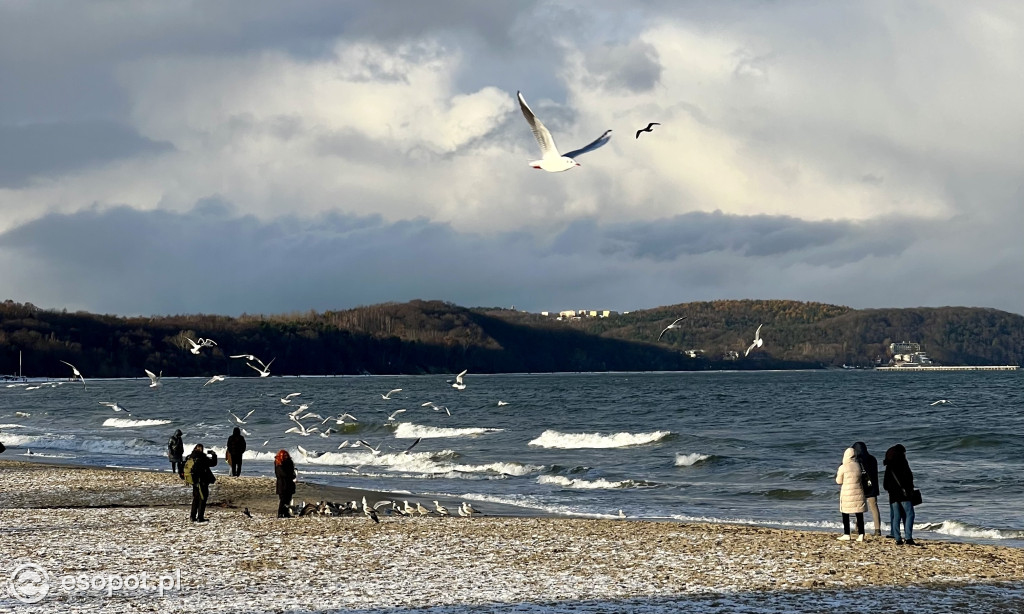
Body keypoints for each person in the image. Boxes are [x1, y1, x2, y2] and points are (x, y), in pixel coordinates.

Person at [883, 444, 916, 545]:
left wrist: (892, 489)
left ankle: (897, 538)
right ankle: (908, 537)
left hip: (893, 495)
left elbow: (885, 484)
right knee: (910, 514)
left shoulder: (889, 466)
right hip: (904, 494)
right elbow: (909, 478)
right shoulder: (903, 463)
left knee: (896, 516)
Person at [835, 447, 867, 541]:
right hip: (858, 491)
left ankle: (846, 534)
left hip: (847, 492)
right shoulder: (858, 465)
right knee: (859, 514)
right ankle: (861, 534)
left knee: (845, 513)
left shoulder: (843, 467)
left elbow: (838, 481)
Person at [852, 441, 882, 536]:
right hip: (872, 486)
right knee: (874, 507)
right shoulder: (872, 459)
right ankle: (877, 529)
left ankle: (858, 528)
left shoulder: (857, 460)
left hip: (860, 486)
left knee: (859, 508)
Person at [187, 444, 218, 523]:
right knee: (202, 499)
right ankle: (200, 517)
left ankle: (192, 516)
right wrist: (214, 455)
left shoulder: (190, 457)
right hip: (202, 481)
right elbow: (213, 463)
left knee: (196, 498)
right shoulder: (202, 458)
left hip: (194, 482)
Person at [275, 449, 297, 518]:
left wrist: (293, 475)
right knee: (283, 500)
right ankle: (280, 513)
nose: (285, 456)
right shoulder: (278, 464)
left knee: (288, 499)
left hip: (288, 484)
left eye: (285, 455)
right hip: (282, 484)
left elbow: (291, 472)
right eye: (283, 455)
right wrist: (291, 475)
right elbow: (282, 474)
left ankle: (286, 513)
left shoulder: (288, 462)